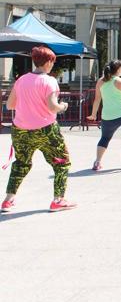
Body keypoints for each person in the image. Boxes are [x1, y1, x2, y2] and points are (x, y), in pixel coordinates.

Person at [1, 46, 76, 213]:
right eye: (53, 62)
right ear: (48, 62)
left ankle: (8, 199)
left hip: (20, 128)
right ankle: (58, 199)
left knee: (21, 163)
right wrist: (63, 106)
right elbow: (52, 107)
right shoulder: (49, 81)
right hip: (45, 129)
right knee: (61, 163)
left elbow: (10, 104)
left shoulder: (21, 80)